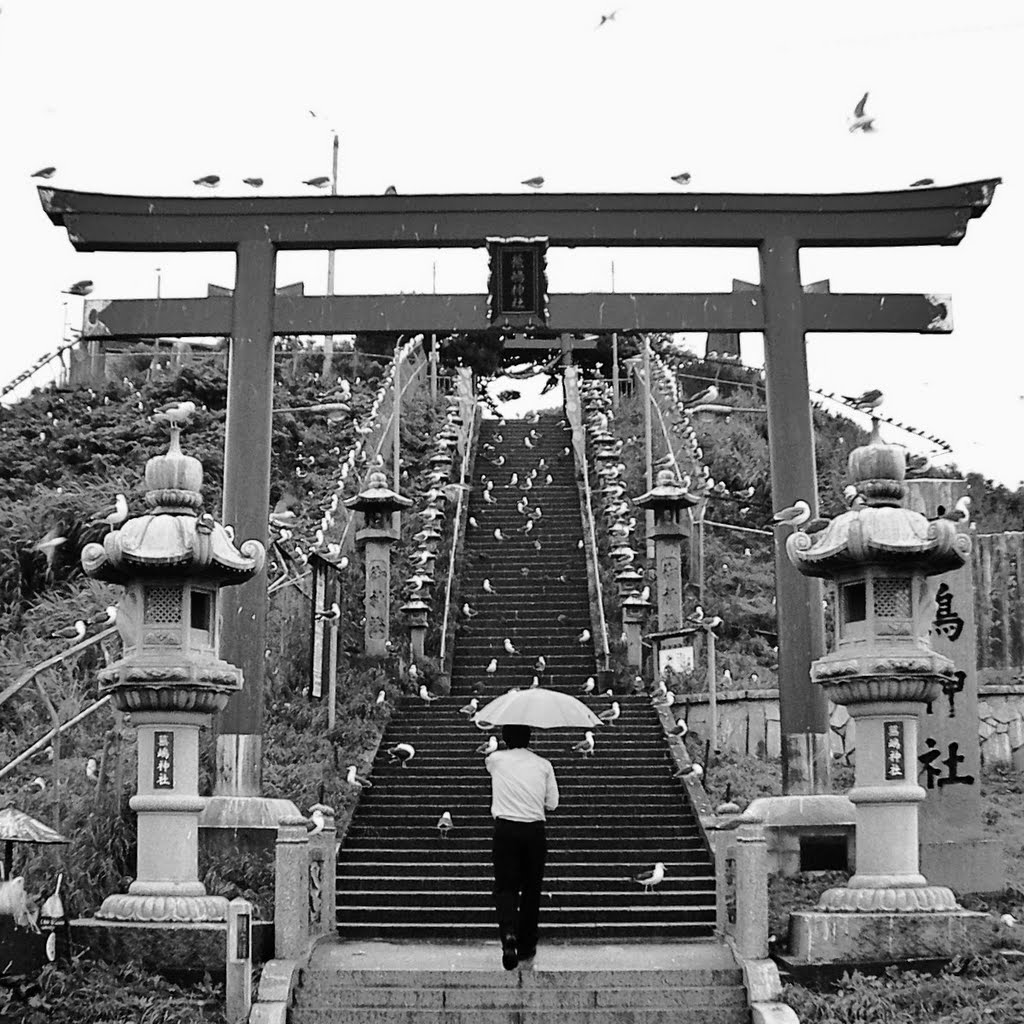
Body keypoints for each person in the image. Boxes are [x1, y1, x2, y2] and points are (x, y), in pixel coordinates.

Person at [485, 723, 559, 971]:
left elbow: (491, 766)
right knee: (531, 890)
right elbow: (553, 804)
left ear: (505, 738)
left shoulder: (495, 760)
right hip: (534, 831)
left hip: (505, 829)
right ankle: (527, 945)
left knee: (505, 887)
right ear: (530, 737)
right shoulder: (544, 765)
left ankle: (508, 935)